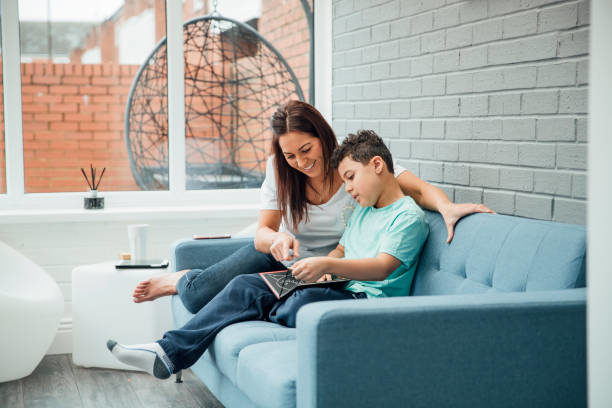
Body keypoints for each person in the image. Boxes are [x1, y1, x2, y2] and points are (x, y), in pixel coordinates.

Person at [107, 129, 430, 379]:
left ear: (377, 165)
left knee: (299, 303)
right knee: (246, 285)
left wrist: (327, 265)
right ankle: (167, 352)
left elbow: (383, 267)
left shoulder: (407, 216)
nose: (347, 187)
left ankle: (266, 307)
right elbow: (344, 248)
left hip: (365, 301)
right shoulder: (362, 210)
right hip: (338, 284)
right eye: (344, 180)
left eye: (350, 177)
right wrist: (323, 266)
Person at [131, 100, 492, 313]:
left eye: (306, 150)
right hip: (282, 256)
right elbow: (261, 232)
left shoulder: (352, 166)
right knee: (195, 298)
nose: (301, 162)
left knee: (253, 297)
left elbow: (416, 189)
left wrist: (446, 207)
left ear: (322, 137)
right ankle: (181, 278)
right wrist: (276, 241)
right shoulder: (281, 171)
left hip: (327, 272)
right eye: (291, 156)